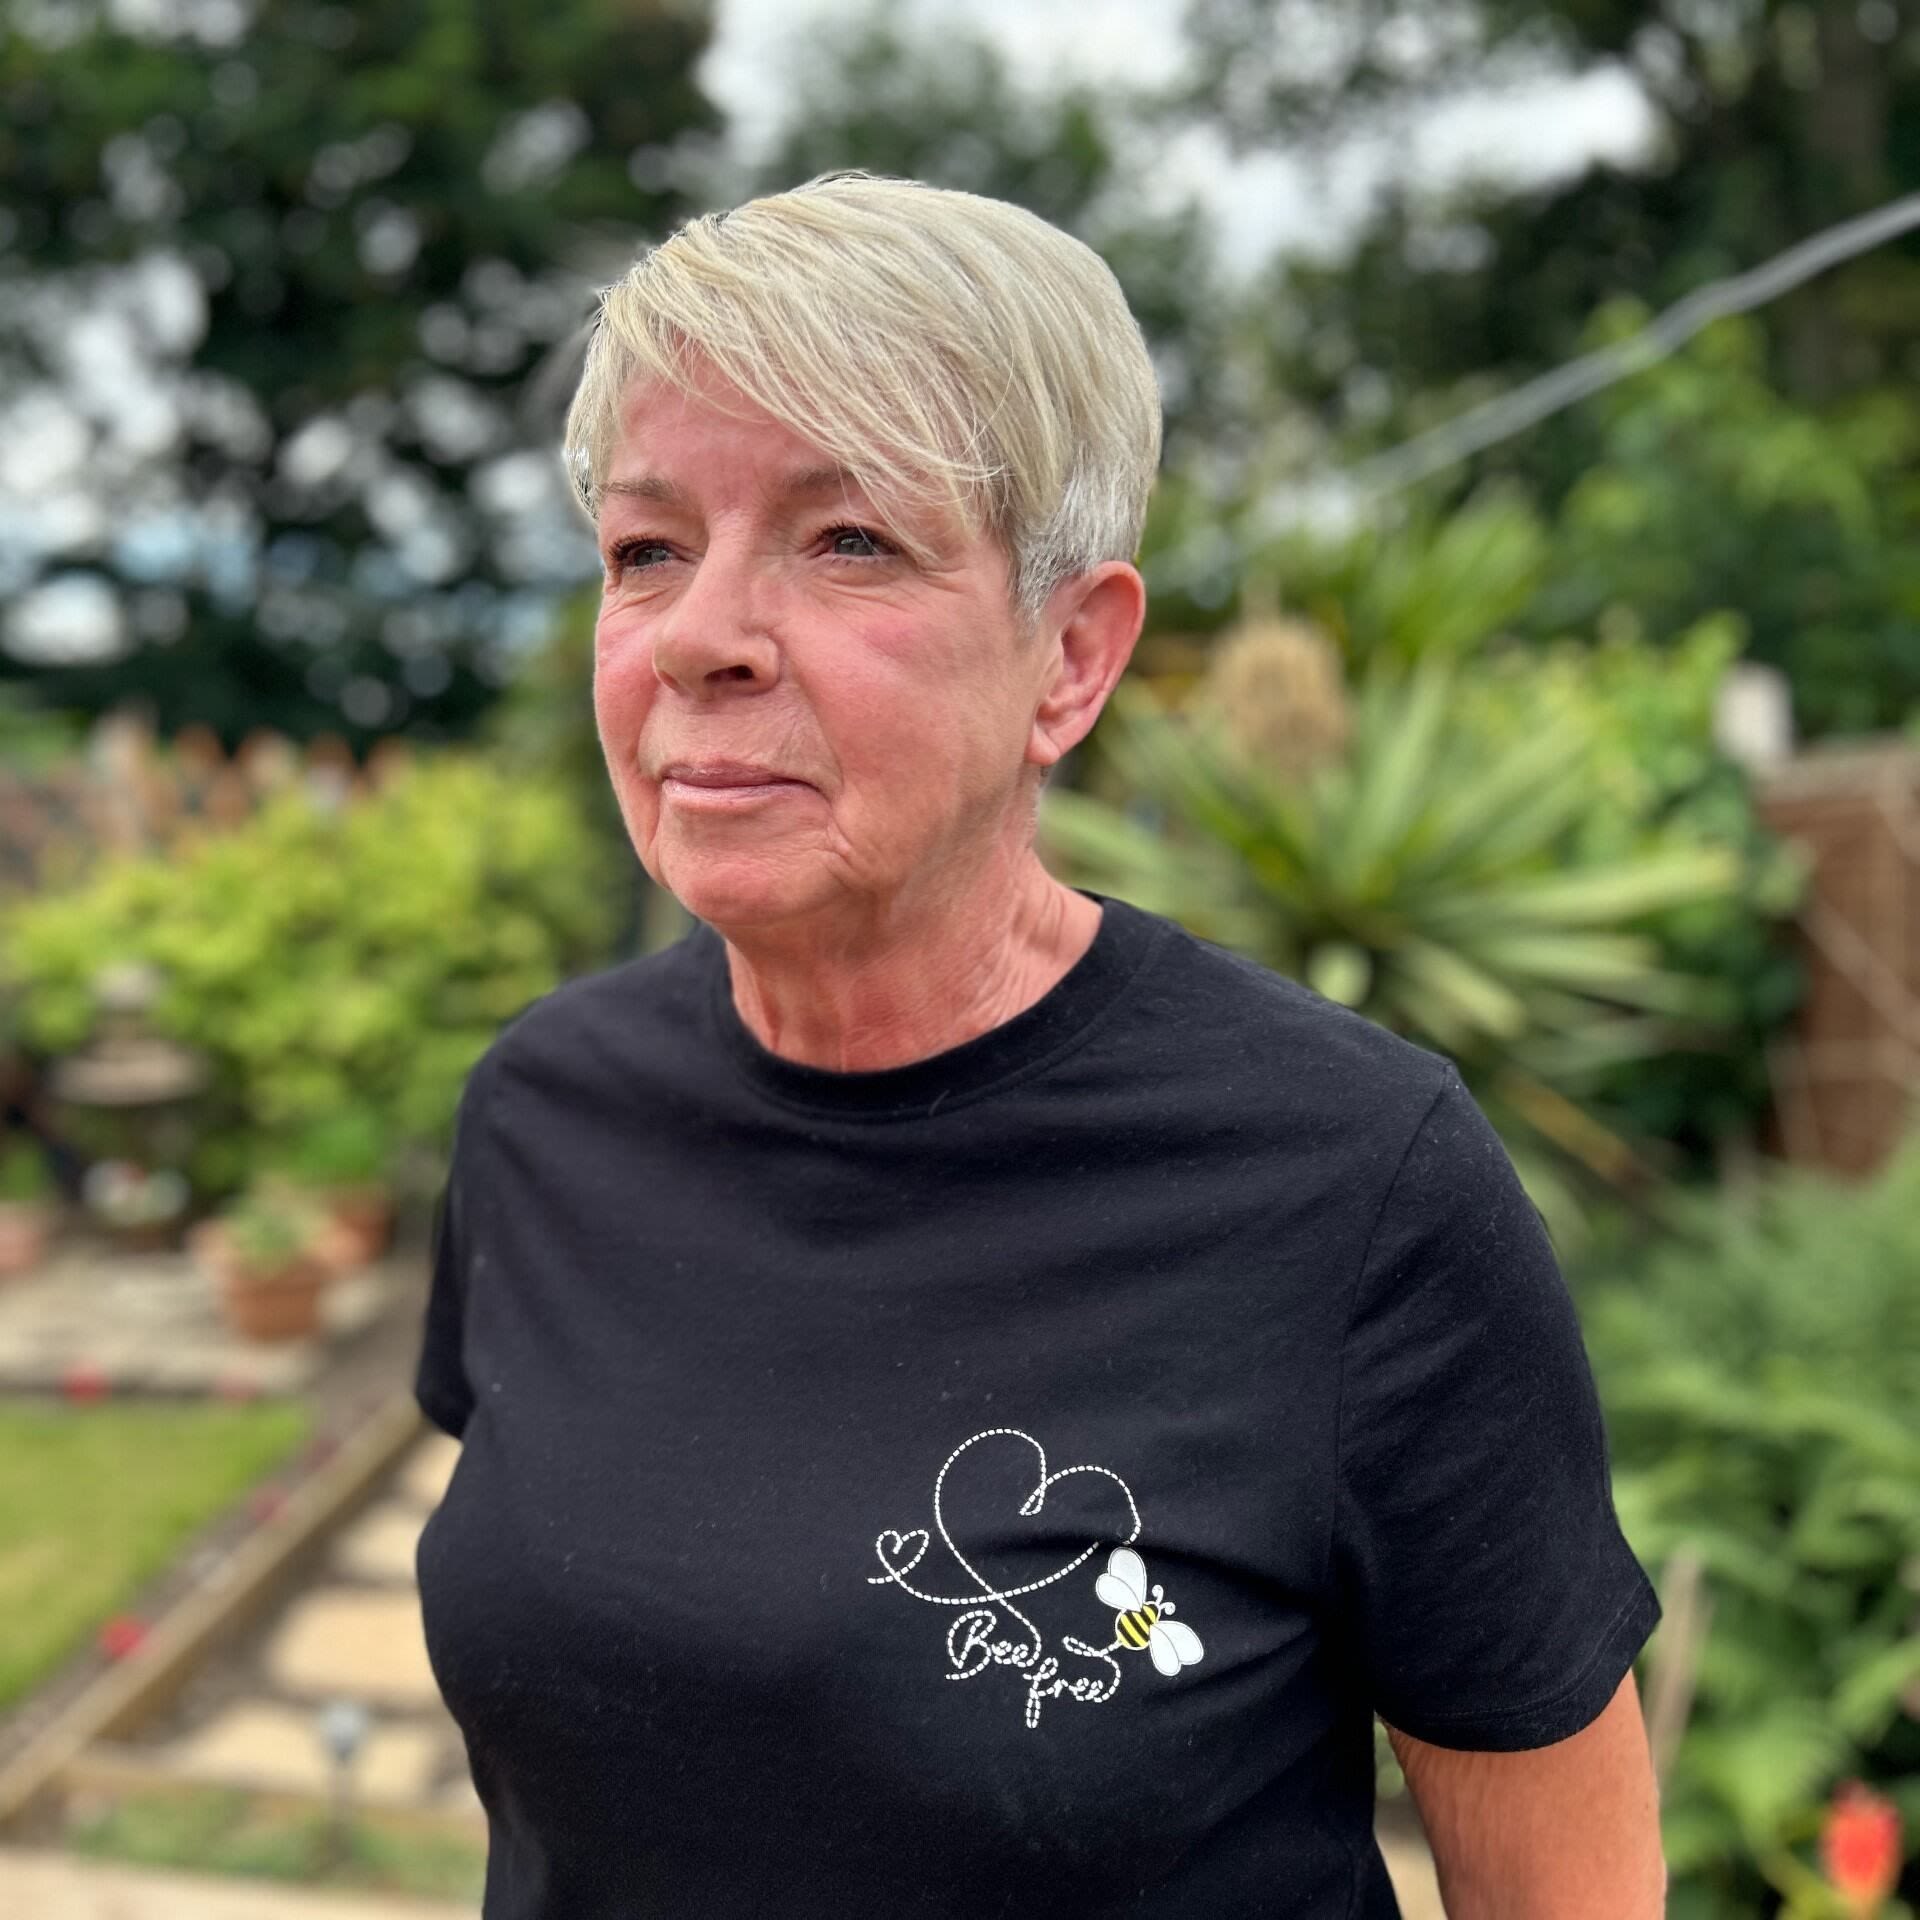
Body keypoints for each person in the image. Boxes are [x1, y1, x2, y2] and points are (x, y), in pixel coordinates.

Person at [413, 171, 1667, 1918]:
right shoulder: (543, 1115)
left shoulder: (1348, 1187)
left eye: (847, 538)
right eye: (647, 548)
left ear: (1071, 657)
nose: (700, 636)